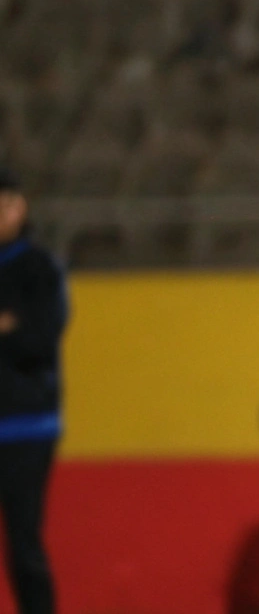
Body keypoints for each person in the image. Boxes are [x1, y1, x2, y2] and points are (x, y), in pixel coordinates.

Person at [0, 168, 68, 614]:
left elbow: (42, 338)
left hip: (26, 425)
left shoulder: (38, 266)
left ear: (21, 207)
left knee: (23, 543)